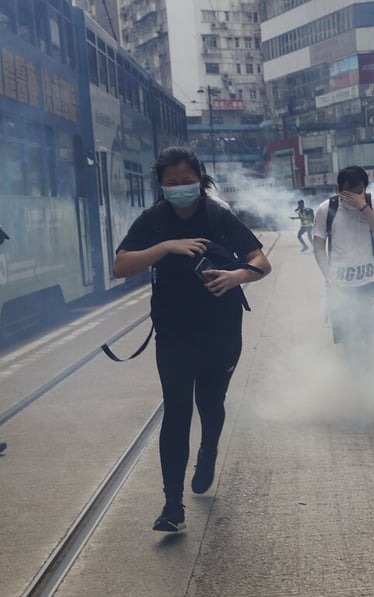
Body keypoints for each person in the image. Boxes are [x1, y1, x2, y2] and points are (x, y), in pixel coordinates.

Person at [112, 146, 272, 533]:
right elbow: (120, 265)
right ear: (161, 185)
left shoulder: (218, 215)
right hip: (174, 329)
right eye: (172, 183)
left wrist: (237, 276)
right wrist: (165, 247)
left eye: (187, 181)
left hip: (220, 326)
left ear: (200, 179)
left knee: (210, 402)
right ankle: (172, 505)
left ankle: (209, 450)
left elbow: (261, 260)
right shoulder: (154, 220)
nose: (180, 188)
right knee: (178, 409)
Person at [312, 166, 374, 356]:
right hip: (341, 285)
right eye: (348, 193)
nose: (353, 198)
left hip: (372, 281)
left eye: (358, 192)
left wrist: (363, 207)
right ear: (340, 190)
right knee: (348, 340)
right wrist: (329, 277)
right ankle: (353, 376)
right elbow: (318, 248)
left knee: (373, 336)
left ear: (364, 188)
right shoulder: (326, 209)